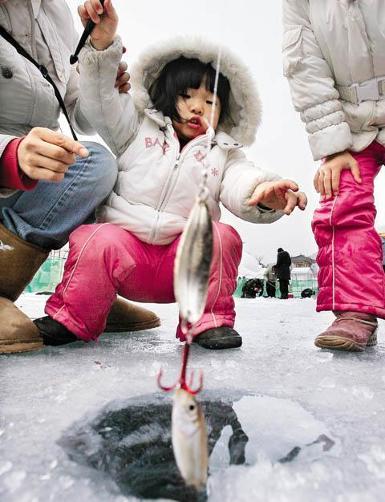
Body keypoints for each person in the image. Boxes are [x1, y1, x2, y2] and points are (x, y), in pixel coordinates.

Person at [33, 0, 307, 350]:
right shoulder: (133, 128)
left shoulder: (222, 152)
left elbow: (243, 180)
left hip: (183, 263)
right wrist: (101, 48)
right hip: (124, 257)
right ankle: (73, 317)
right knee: (94, 237)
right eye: (187, 96)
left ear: (224, 113)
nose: (197, 107)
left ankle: (207, 322)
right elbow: (100, 102)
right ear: (167, 96)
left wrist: (264, 191)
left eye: (210, 102)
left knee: (223, 236)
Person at [0, 0, 160, 354]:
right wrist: (9, 155)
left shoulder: (52, 10)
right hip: (9, 161)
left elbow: (81, 113)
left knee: (100, 163)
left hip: (33, 163)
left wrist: (99, 67)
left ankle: (87, 289)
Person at [283, 0, 385, 351]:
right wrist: (335, 145)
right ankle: (356, 310)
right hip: (350, 125)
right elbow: (305, 68)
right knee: (342, 205)